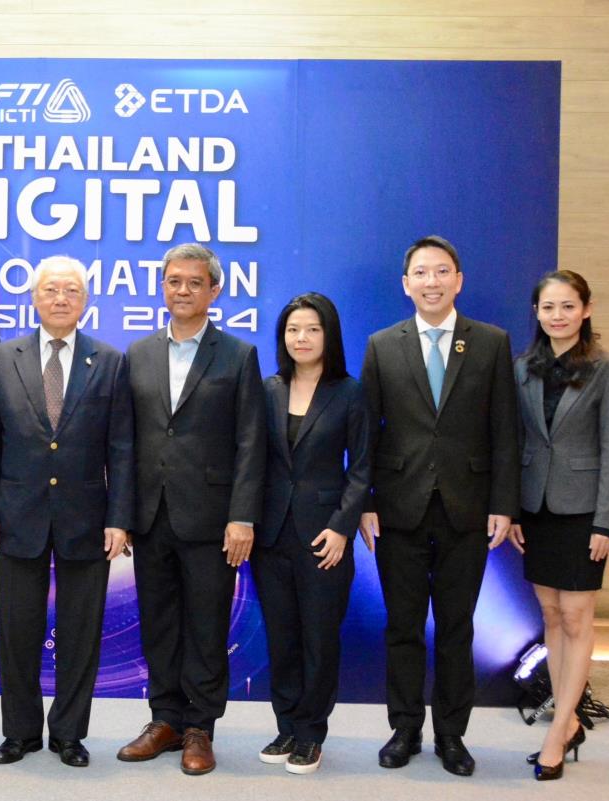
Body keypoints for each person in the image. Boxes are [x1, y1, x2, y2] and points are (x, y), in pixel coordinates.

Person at [359, 234, 519, 777]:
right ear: (406, 284)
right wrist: (365, 501)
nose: (432, 282)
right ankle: (404, 728)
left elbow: (505, 430)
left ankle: (452, 734)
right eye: (422, 273)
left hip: (466, 507)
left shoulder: (491, 342)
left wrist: (504, 503)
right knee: (402, 627)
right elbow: (367, 431)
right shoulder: (383, 344)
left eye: (442, 271)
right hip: (397, 508)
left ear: (459, 280)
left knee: (457, 627)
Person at [0, 255, 135, 769]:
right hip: (15, 516)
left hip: (87, 519)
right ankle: (19, 732)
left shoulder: (110, 361)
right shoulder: (1, 358)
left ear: (85, 301)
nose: (61, 298)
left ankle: (69, 734)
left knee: (81, 633)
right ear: (34, 298)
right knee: (16, 630)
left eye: (71, 290)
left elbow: (122, 449)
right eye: (50, 289)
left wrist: (119, 518)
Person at [120, 243, 265, 775]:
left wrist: (242, 516)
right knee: (158, 624)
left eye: (194, 282)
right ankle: (165, 720)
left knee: (206, 626)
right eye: (174, 281)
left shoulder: (238, 355)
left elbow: (251, 442)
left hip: (212, 518)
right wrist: (122, 514)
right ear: (163, 287)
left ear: (214, 290)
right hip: (150, 515)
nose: (183, 290)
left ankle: (200, 727)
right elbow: (125, 441)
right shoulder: (138, 354)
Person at [508, 270, 609, 781]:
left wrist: (606, 522)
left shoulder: (607, 368)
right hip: (536, 509)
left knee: (577, 618)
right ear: (536, 313)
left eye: (568, 306)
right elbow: (515, 442)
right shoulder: (522, 368)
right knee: (552, 616)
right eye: (548, 307)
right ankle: (568, 717)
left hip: (583, 512)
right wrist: (512, 510)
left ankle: (558, 730)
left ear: (586, 309)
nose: (558, 315)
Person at [255, 293, 370, 774]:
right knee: (281, 638)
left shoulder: (350, 391)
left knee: (319, 639)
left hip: (325, 536)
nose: (301, 338)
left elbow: (362, 468)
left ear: (329, 335)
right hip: (271, 534)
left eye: (312, 329)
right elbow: (252, 459)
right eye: (292, 329)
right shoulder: (267, 389)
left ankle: (311, 734)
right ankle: (286, 726)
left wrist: (342, 528)